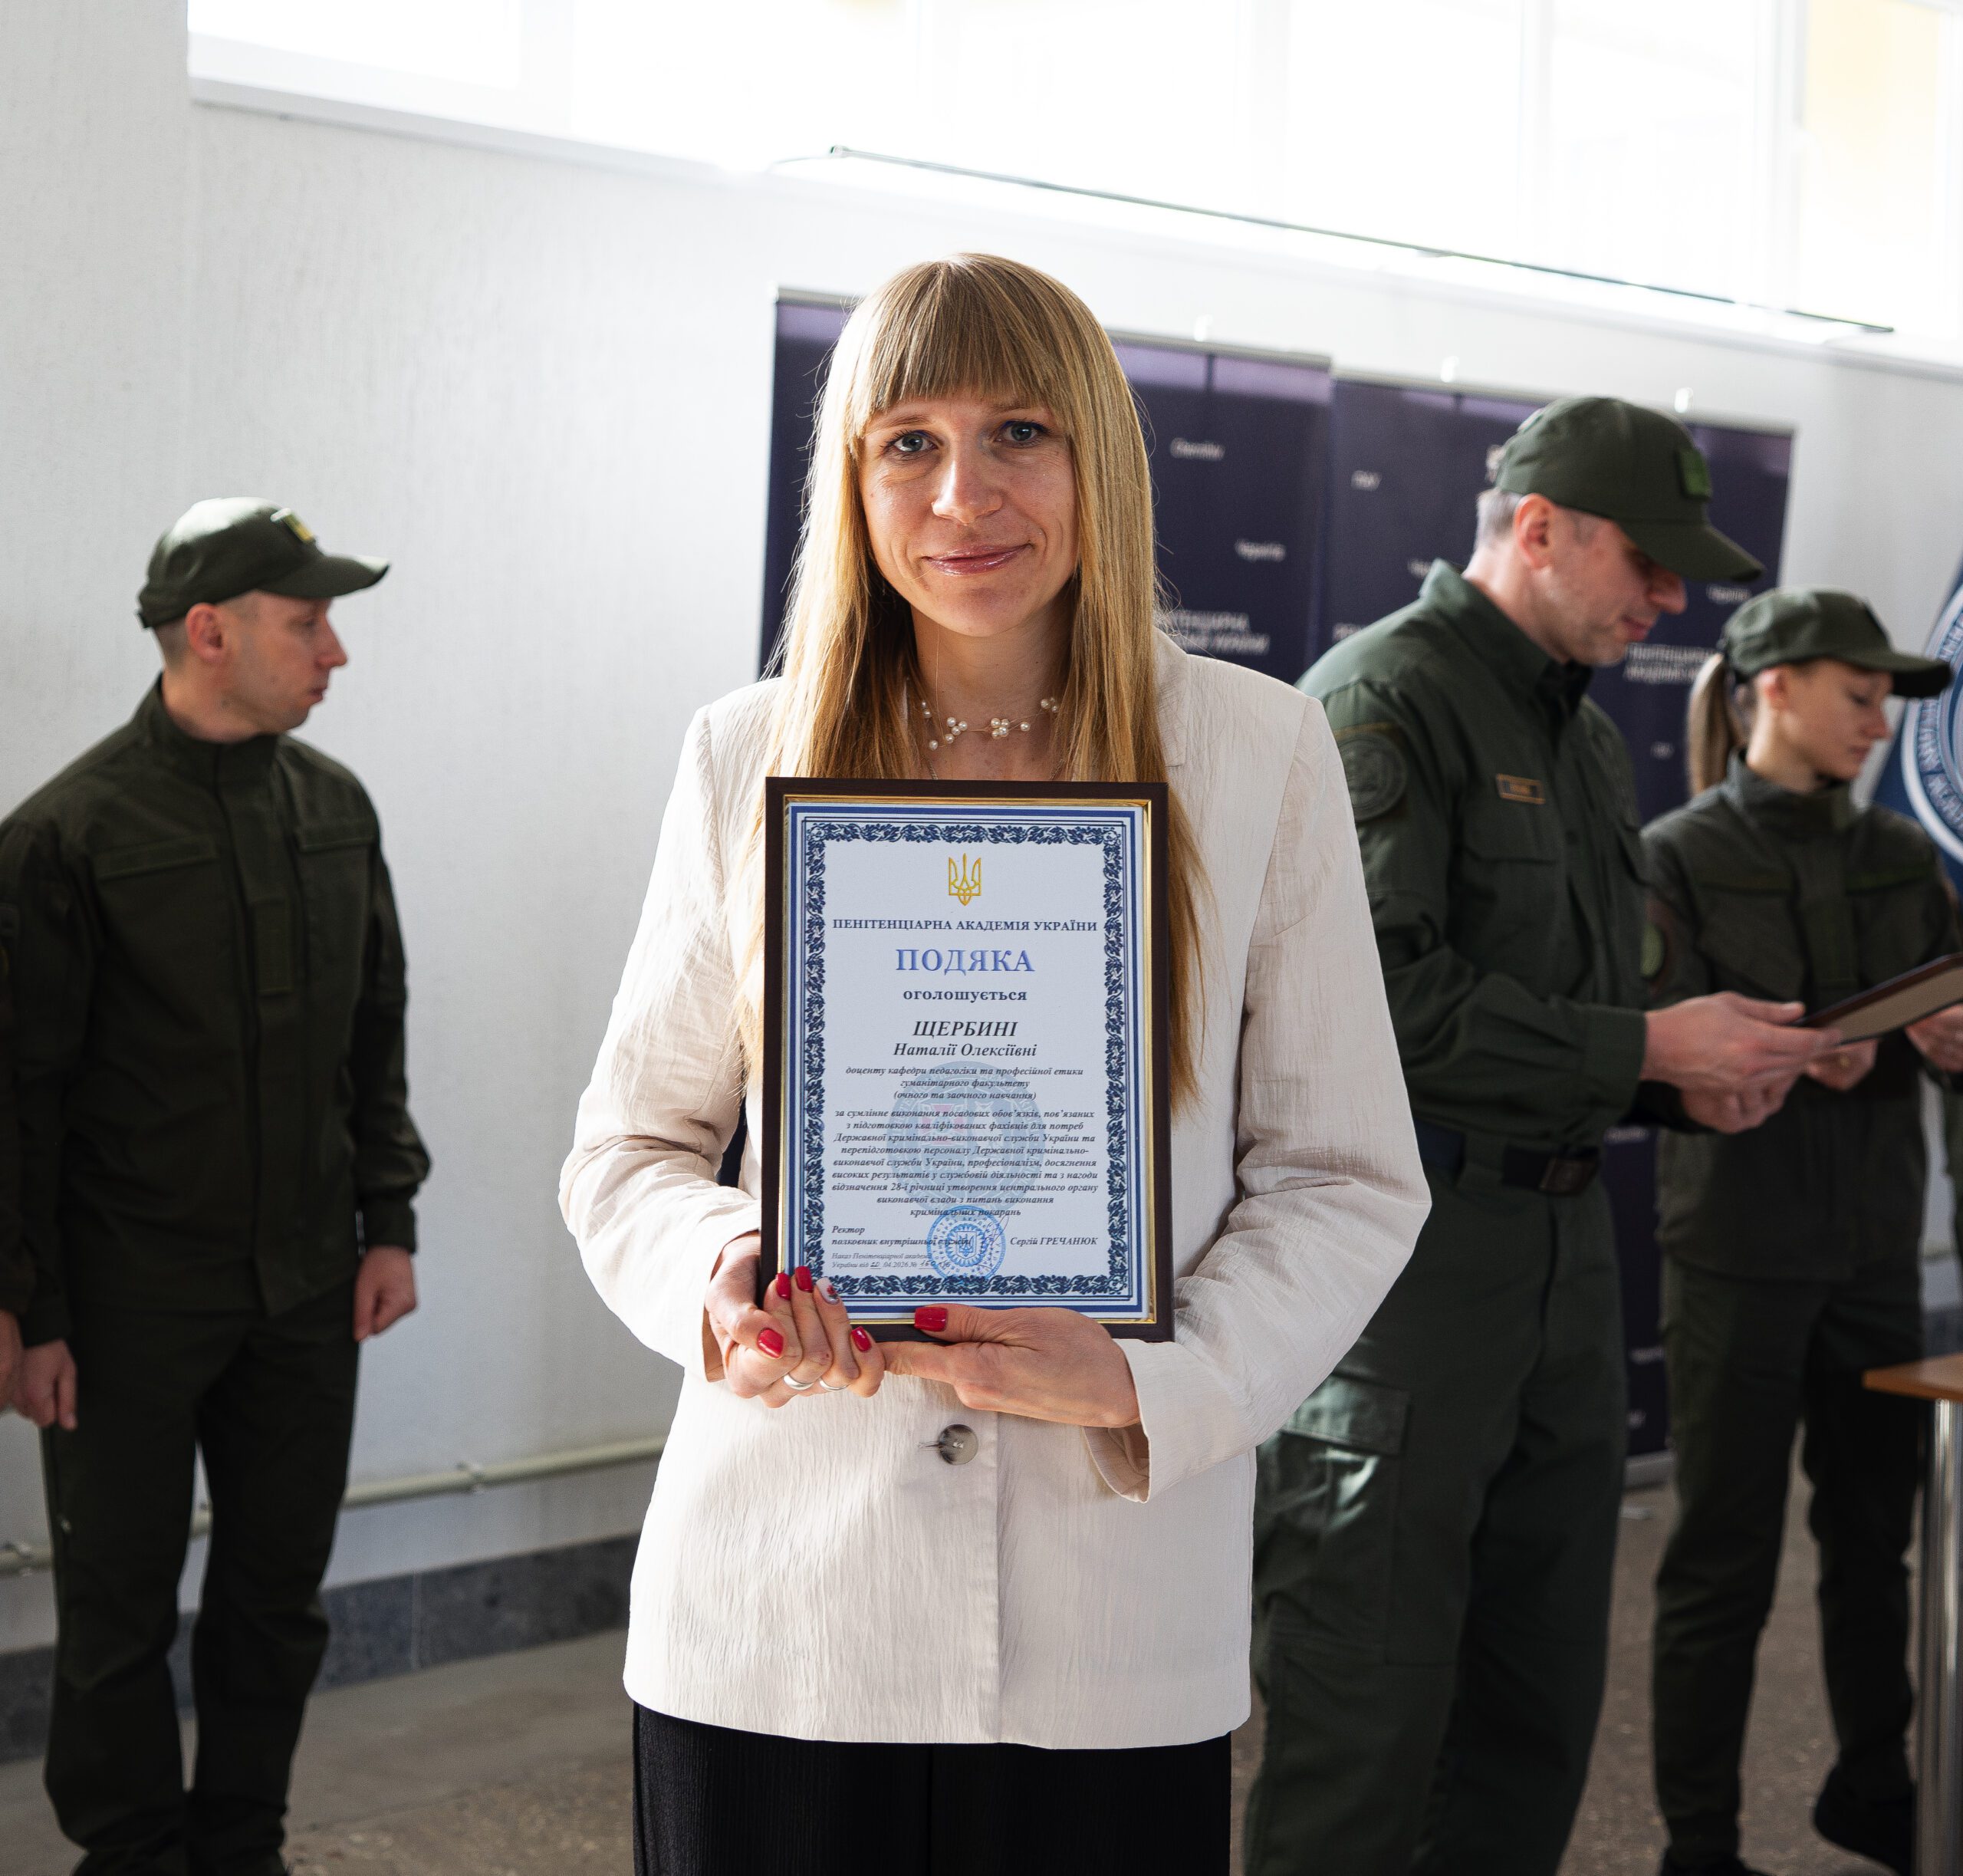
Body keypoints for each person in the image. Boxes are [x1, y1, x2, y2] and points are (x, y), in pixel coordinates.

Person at [560, 252, 1431, 1876]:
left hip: (1108, 1627)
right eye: (909, 441)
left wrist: (1152, 1380)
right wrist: (724, 1273)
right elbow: (630, 1149)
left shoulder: (1252, 751)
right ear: (852, 479)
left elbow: (1344, 1173)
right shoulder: (745, 753)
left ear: (1099, 454)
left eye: (1019, 431)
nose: (964, 494)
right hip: (781, 1613)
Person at [1247, 397, 1844, 1876]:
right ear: (1537, 529)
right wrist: (1647, 1048)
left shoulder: (1577, 738)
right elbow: (1378, 1004)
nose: (1670, 602)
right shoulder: (1381, 700)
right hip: (1409, 1275)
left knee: (1534, 1711)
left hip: (1564, 1263)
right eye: (1648, 562)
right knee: (1365, 1715)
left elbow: (1575, 997)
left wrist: (1682, 1077)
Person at [1, 497, 431, 1876]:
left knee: (274, 1598)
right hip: (125, 1305)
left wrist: (388, 1222)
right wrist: (28, 1310)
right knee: (117, 1611)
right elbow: (18, 1100)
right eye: (307, 623)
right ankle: (132, 1855)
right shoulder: (65, 836)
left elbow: (374, 1034)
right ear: (209, 632)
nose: (334, 651)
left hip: (304, 1290)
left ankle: (243, 1847)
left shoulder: (336, 811)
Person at [1646, 590, 1963, 1876]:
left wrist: (1945, 1044)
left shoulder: (1902, 855)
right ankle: (1700, 1843)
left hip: (1875, 1251)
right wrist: (1765, 1057)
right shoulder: (1674, 852)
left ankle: (1874, 1789)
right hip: (1740, 1249)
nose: (1881, 723)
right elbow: (1649, 1049)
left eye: (1888, 701)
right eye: (1860, 695)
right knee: (1721, 1559)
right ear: (1774, 687)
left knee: (1875, 1545)